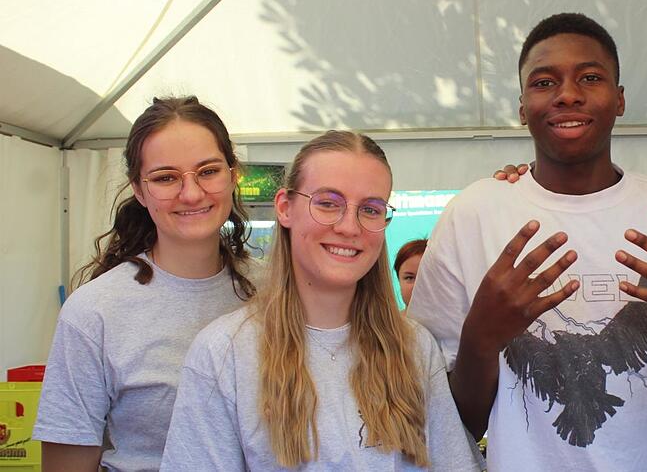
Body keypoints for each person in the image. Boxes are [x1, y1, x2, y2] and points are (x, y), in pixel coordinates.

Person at [406, 13, 647, 470]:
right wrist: (481, 339)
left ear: (620, 99)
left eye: (590, 77)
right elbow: (459, 421)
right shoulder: (475, 213)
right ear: (522, 106)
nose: (568, 94)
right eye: (544, 82)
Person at [160, 131, 479, 471]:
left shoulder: (413, 346)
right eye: (328, 203)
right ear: (285, 207)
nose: (348, 226)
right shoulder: (224, 353)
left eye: (370, 209)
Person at [33, 96, 258, 471]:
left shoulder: (278, 292)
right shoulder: (93, 312)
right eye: (166, 178)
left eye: (208, 171)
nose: (191, 193)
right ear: (138, 190)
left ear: (233, 174)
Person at [394, 238, 427, 306]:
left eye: (426, 278)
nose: (417, 286)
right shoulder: (386, 317)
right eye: (410, 278)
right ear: (399, 280)